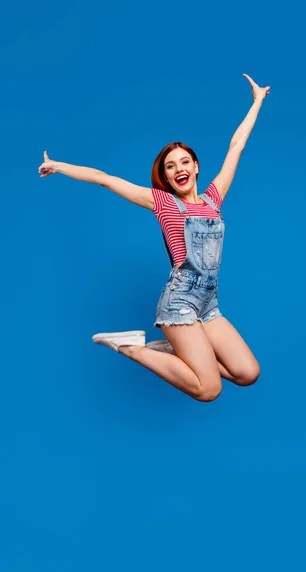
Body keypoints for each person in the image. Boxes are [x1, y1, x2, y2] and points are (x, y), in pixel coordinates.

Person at [38, 74, 270, 402]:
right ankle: (130, 347)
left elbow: (236, 146)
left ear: (196, 166)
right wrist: (59, 165)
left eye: (184, 162)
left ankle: (175, 348)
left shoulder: (213, 200)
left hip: (209, 305)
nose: (178, 169)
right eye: (170, 166)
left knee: (247, 373)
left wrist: (257, 101)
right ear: (165, 177)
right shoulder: (163, 203)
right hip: (180, 304)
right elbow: (106, 179)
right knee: (209, 390)